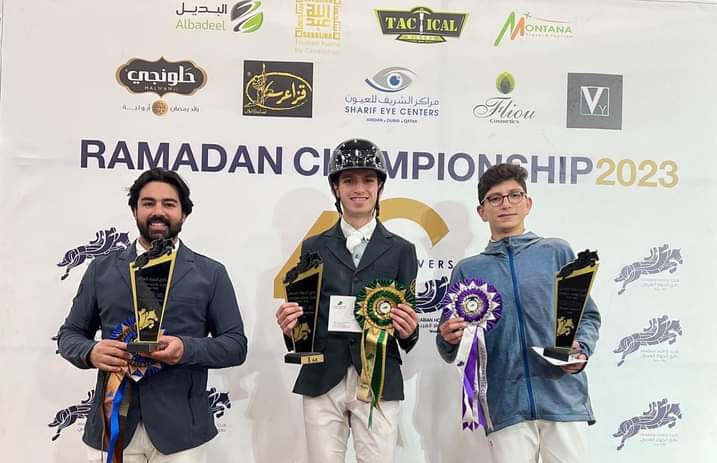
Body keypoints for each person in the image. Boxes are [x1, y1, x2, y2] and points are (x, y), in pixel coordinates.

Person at [57, 168, 248, 463]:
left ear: (184, 213)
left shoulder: (211, 274)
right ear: (135, 210)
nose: (158, 211)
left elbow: (235, 346)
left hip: (183, 434)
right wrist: (91, 351)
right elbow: (69, 335)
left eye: (169, 204)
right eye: (148, 203)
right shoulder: (100, 270)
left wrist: (185, 349)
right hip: (112, 428)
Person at [436, 163, 601, 463]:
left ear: (528, 203)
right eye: (495, 198)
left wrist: (582, 349)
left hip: (563, 398)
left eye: (514, 195)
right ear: (482, 211)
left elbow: (587, 316)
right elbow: (449, 346)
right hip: (505, 405)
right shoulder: (468, 270)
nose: (506, 204)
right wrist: (448, 338)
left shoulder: (557, 252)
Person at [275, 138, 419, 463]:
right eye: (349, 180)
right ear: (336, 188)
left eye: (368, 180)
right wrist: (291, 327)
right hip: (322, 374)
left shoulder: (402, 250)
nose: (359, 188)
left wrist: (409, 330)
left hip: (379, 376)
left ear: (380, 187)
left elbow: (407, 331)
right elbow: (306, 318)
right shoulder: (313, 246)